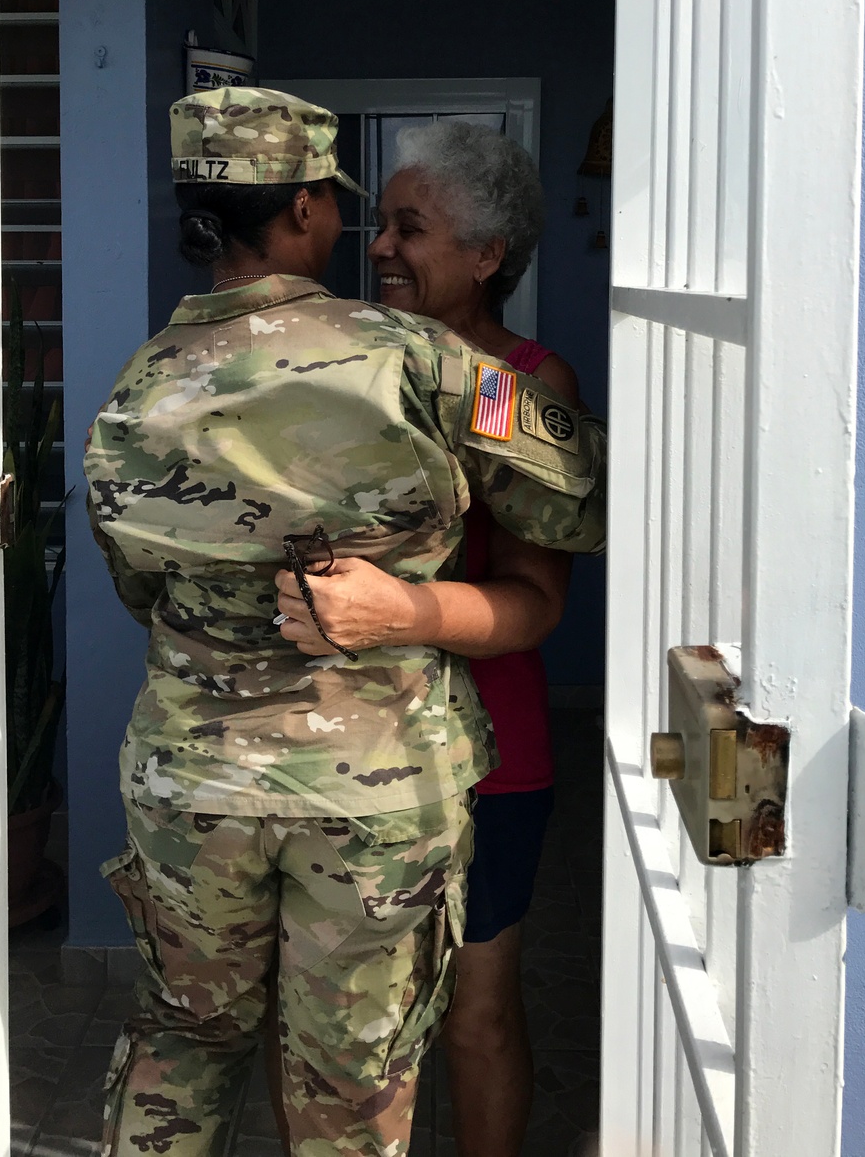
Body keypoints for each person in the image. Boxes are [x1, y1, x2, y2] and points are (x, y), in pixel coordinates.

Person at [84, 87, 606, 1157]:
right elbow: (574, 494)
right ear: (308, 209)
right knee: (351, 1076)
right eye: (348, 211)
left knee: (182, 1044)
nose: (367, 239)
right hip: (371, 792)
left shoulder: (137, 386)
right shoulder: (427, 362)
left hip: (192, 782)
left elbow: (138, 585)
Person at [271, 120, 580, 1157]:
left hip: (487, 760)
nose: (381, 247)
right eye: (377, 224)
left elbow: (538, 602)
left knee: (476, 1019)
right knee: (348, 1035)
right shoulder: (342, 365)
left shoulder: (523, 386)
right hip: (339, 756)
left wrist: (402, 614)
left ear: (488, 256)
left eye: (411, 228)